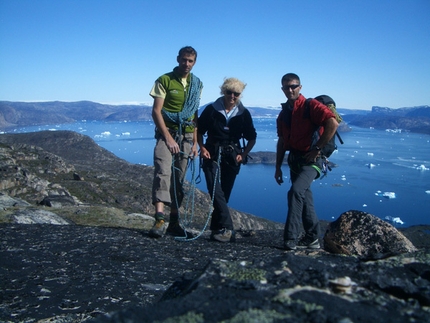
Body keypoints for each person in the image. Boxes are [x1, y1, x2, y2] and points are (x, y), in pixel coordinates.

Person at [275, 73, 338, 250]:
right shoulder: (283, 114)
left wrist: (317, 148)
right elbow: (282, 141)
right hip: (295, 160)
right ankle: (312, 237)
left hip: (312, 160)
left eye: (293, 86)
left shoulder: (311, 106)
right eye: (286, 87)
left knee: (295, 192)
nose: (290, 90)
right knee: (305, 197)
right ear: (282, 89)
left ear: (300, 87)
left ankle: (290, 238)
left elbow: (332, 123)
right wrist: (278, 167)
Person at [148, 46, 203, 238]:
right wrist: (169, 138)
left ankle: (174, 222)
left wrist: (195, 142)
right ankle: (159, 220)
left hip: (187, 135)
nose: (186, 64)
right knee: (162, 171)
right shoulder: (164, 80)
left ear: (194, 62)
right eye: (184, 60)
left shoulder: (197, 84)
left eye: (190, 61)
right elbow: (157, 111)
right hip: (167, 133)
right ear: (178, 59)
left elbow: (194, 113)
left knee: (178, 180)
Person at [197, 78, 256, 242]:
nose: (232, 96)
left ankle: (217, 229)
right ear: (223, 92)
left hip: (232, 155)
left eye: (236, 93)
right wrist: (202, 148)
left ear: (240, 95)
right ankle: (228, 228)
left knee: (225, 194)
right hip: (212, 153)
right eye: (229, 92)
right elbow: (199, 131)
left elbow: (252, 137)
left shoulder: (243, 113)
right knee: (215, 190)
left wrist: (243, 154)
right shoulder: (211, 110)